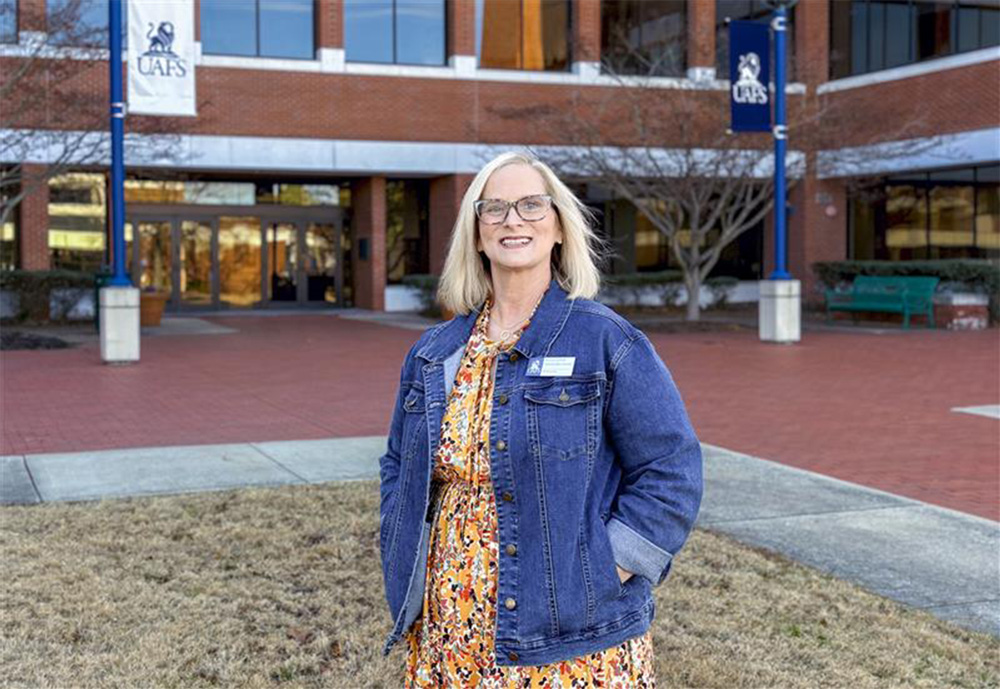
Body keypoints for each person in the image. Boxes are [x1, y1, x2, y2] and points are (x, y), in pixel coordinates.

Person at [378, 151, 703, 686]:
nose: (513, 220)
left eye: (532, 205)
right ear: (477, 234)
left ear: (558, 228)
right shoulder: (434, 352)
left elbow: (672, 468)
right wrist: (397, 537)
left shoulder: (605, 340)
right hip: (449, 626)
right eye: (495, 208)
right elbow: (397, 464)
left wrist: (608, 568)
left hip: (571, 632)